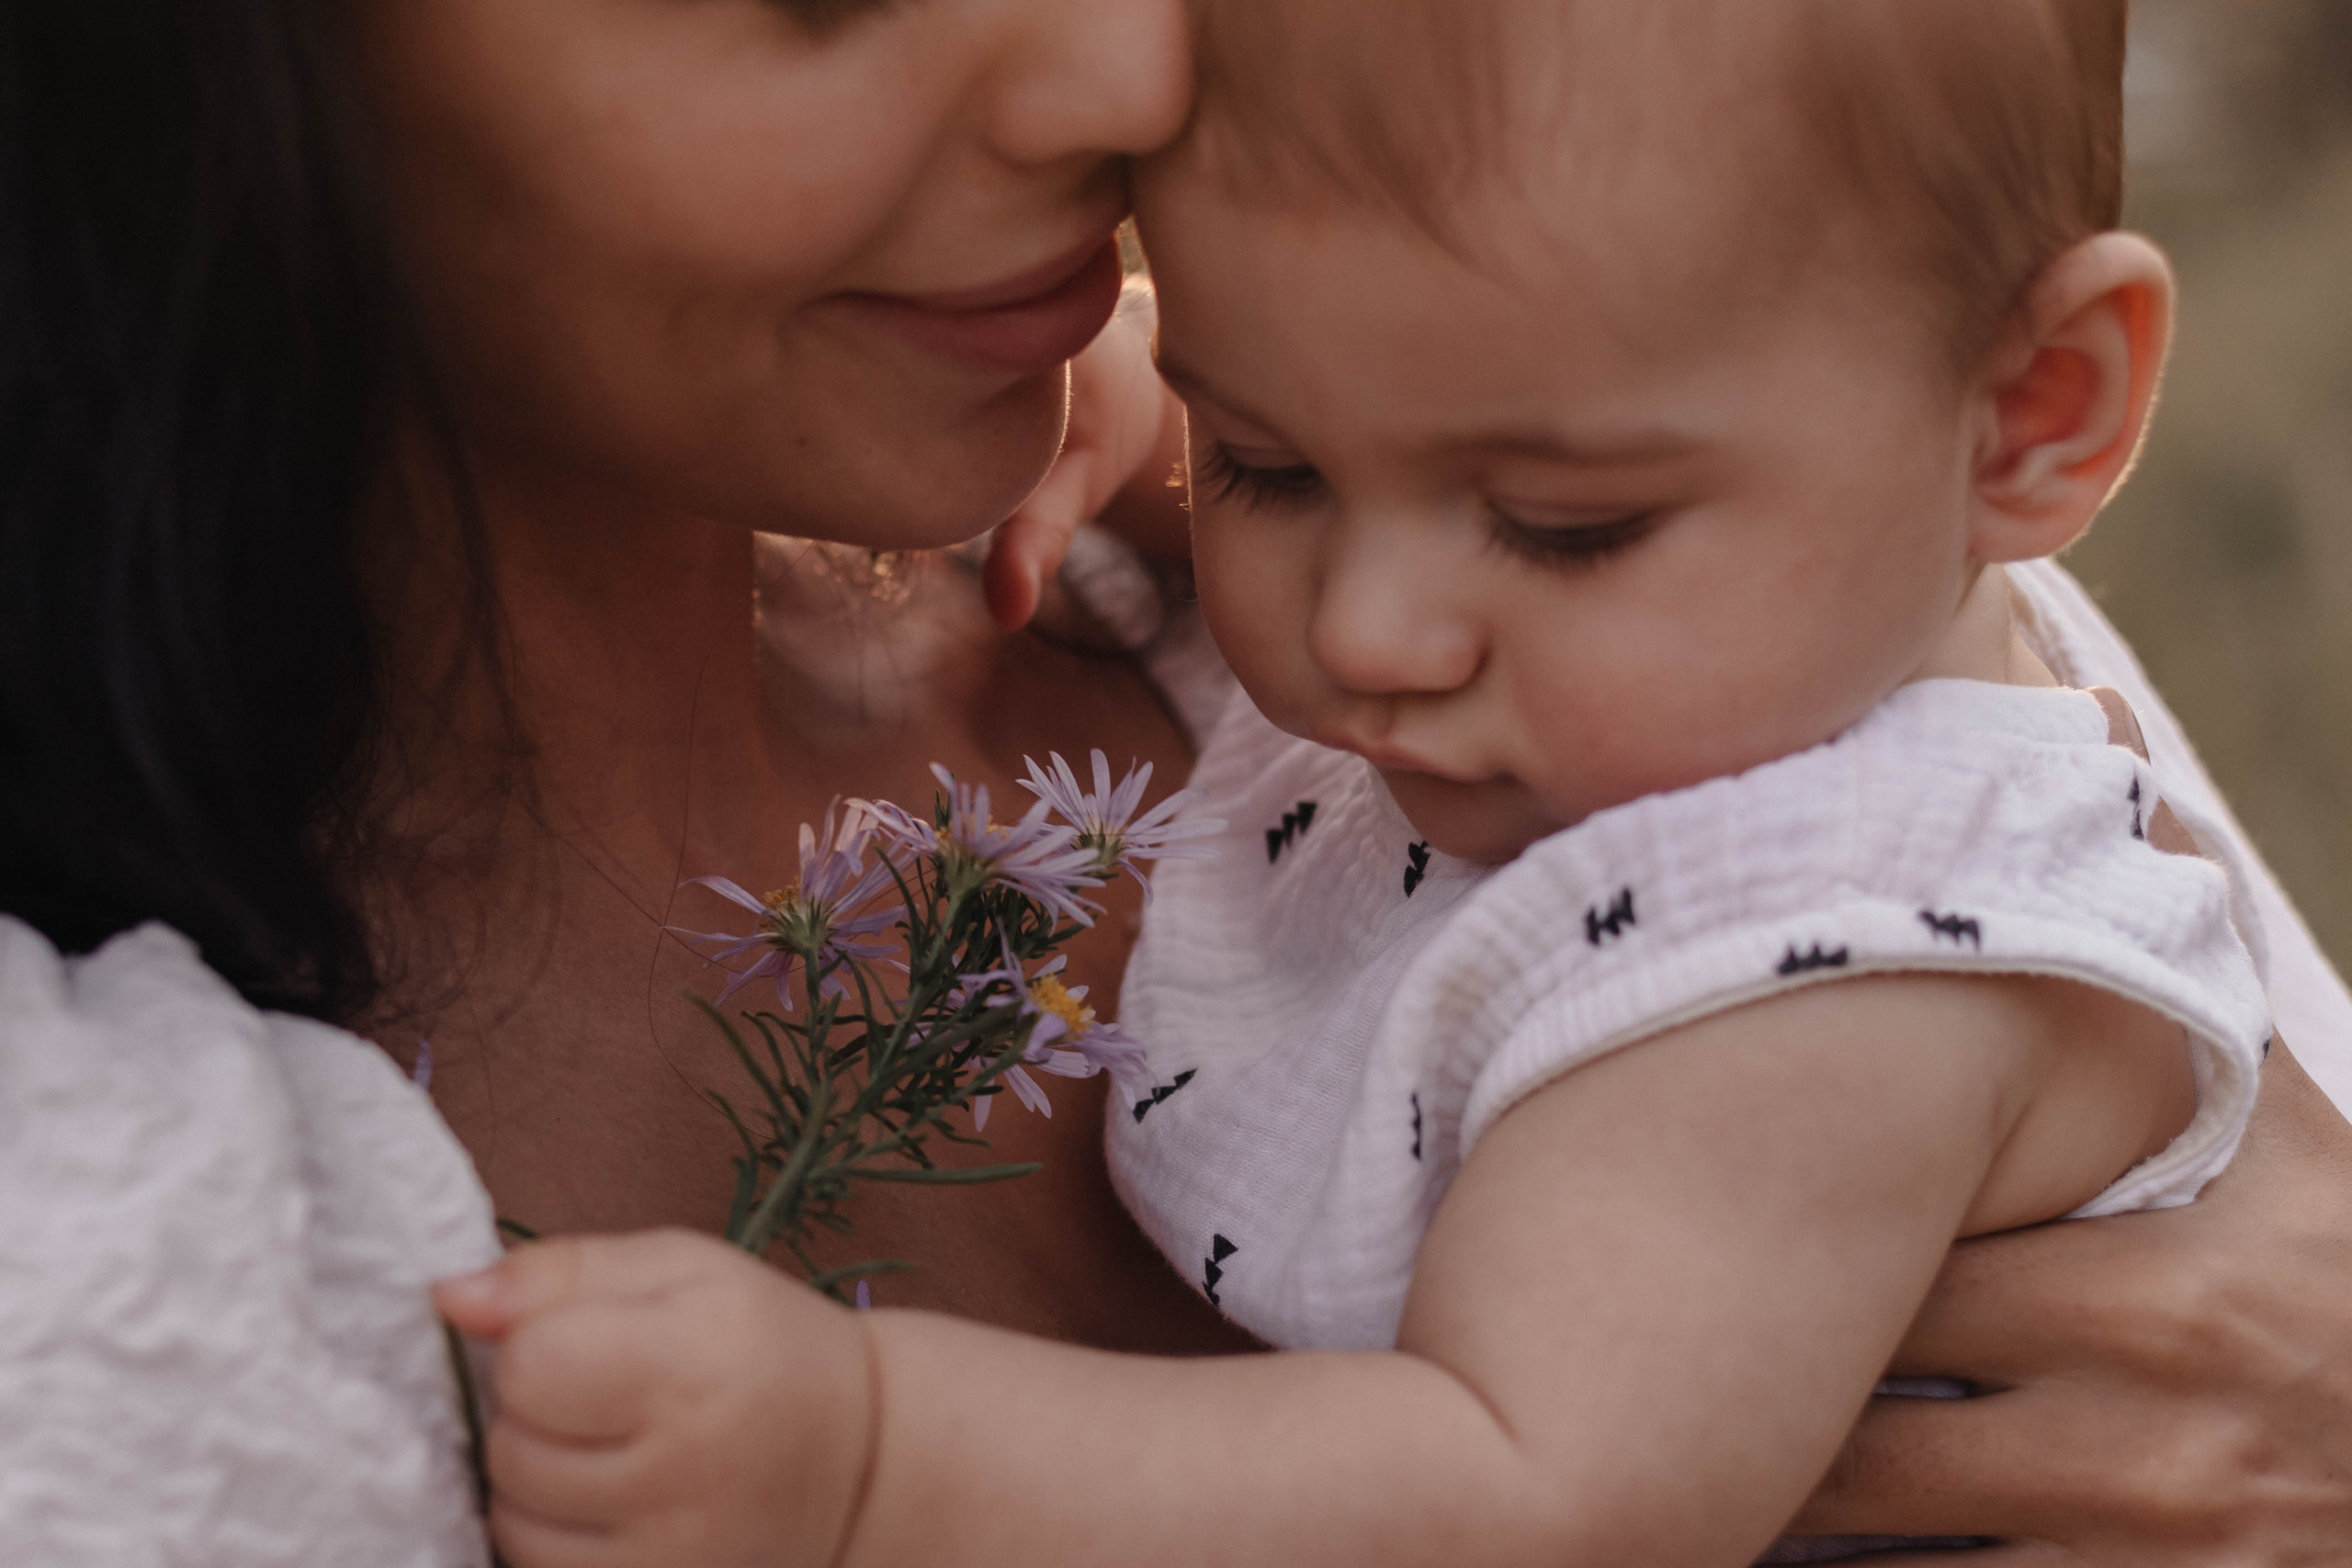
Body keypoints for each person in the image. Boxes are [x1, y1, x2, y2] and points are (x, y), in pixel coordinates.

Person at [4, 0, 2352, 1562]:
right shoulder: (114, 1212)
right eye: (1274, 461)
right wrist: (1189, 425)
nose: (1127, 55)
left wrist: (871, 1453)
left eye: (1548, 518)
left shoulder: (1803, 835)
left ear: (2033, 423)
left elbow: (1516, 1492)